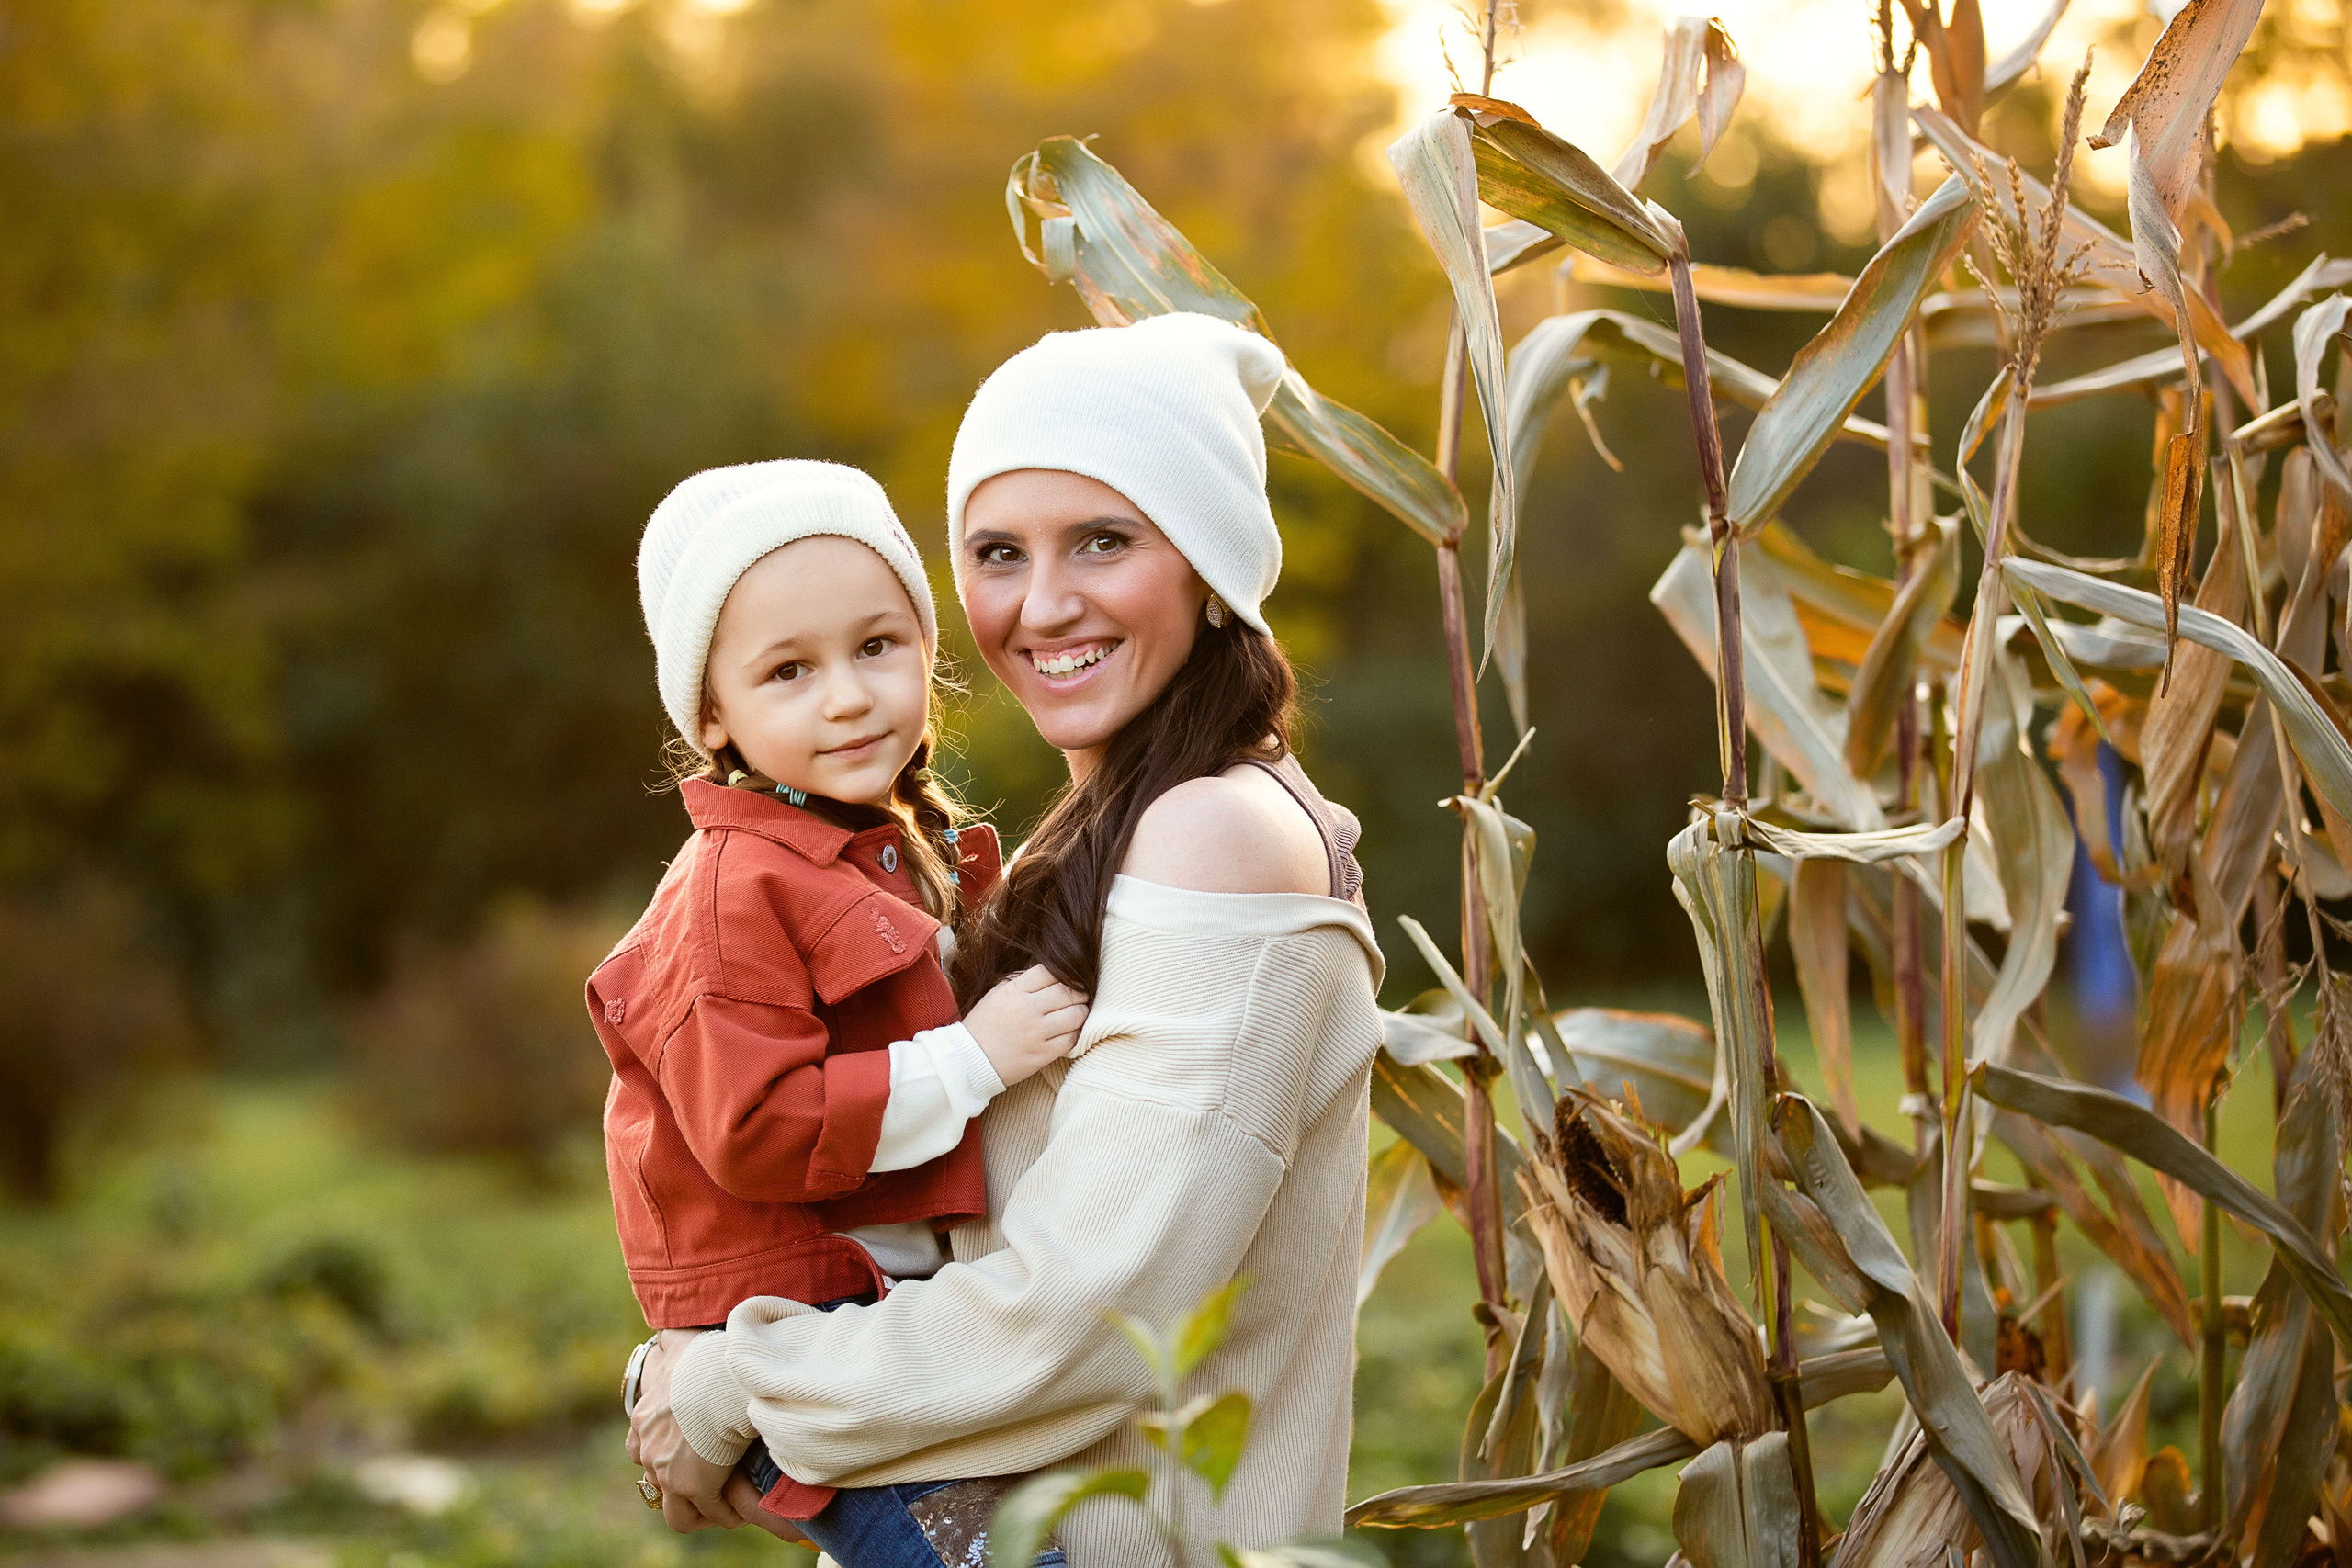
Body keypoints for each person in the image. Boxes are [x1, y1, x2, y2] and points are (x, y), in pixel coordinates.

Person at [628, 314, 1386, 1568]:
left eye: (1103, 539)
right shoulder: (1105, 828)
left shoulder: (1219, 836)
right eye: (997, 550)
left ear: (1208, 562)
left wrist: (725, 1381)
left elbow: (1086, 1316)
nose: (1041, 603)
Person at [589, 459, 1090, 1564]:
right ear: (714, 714)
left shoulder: (893, 845)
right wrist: (971, 1060)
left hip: (876, 1333)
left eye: (876, 646)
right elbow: (758, 1124)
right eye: (788, 671)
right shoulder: (733, 893)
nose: (850, 696)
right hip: (791, 1344)